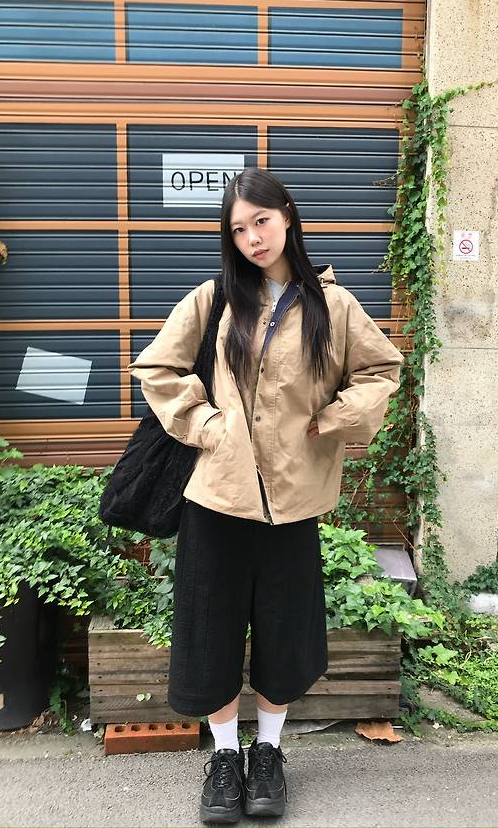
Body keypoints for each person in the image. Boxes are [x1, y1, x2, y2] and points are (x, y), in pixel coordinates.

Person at [127, 167, 404, 824]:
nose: (253, 237)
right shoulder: (215, 299)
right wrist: (208, 424)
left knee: (284, 633)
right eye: (238, 229)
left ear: (287, 217)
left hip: (293, 502)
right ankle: (226, 757)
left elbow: (381, 368)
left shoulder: (333, 306)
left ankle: (269, 753)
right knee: (209, 633)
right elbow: (158, 367)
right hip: (216, 499)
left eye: (261, 221)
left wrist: (334, 418)